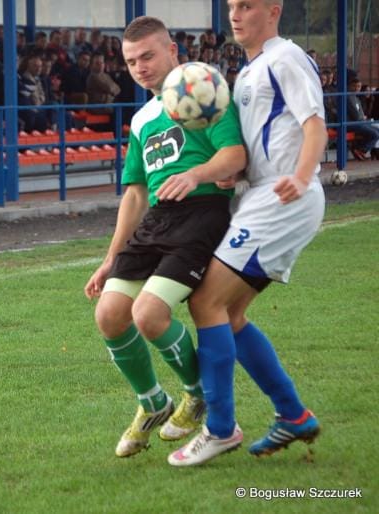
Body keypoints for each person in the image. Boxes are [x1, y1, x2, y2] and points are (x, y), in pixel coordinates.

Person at [166, 0, 326, 467]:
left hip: (283, 198)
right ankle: (294, 415)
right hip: (259, 195)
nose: (235, 15)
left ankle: (218, 429)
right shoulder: (251, 70)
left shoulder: (286, 58)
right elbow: (263, 141)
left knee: (205, 302)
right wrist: (232, 177)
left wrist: (300, 175)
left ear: (273, 10)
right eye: (232, 6)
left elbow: (314, 126)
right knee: (229, 314)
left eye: (247, 6)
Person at [83, 16, 246, 458]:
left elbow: (235, 154)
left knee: (149, 315)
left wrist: (197, 174)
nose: (140, 67)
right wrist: (109, 258)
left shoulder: (204, 90)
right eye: (131, 61)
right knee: (110, 314)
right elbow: (135, 194)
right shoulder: (141, 119)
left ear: (172, 50)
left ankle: (198, 395)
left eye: (148, 56)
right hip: (157, 219)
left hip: (202, 215)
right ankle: (153, 403)